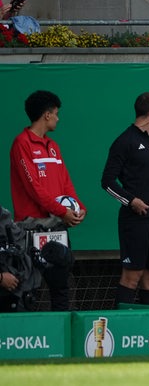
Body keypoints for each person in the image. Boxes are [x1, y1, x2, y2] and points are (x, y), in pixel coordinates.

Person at [9, 90, 86, 311]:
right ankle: (31, 342)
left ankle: (61, 343)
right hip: (31, 228)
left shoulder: (53, 147)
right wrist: (62, 211)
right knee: (29, 290)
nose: (58, 118)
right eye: (56, 113)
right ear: (47, 115)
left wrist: (79, 208)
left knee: (60, 287)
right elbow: (34, 188)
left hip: (58, 228)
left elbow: (66, 183)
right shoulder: (21, 144)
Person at [101, 92, 149, 308]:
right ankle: (119, 331)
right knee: (131, 276)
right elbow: (107, 181)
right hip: (135, 222)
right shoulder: (124, 141)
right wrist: (130, 201)